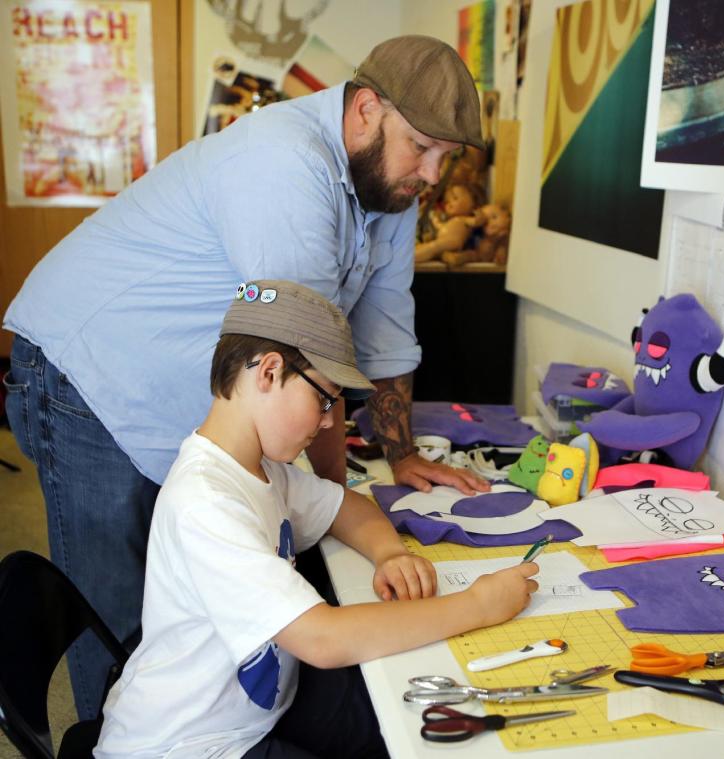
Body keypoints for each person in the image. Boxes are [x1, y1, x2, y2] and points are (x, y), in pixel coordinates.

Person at [2, 34, 490, 721]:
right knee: (116, 609)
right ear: (366, 110)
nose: (433, 175)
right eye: (422, 148)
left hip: (170, 373)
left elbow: (383, 327)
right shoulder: (285, 162)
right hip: (89, 368)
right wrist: (328, 497)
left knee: (185, 596)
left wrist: (401, 452)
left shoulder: (392, 189)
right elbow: (306, 357)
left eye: (448, 157)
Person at [93, 280, 539, 758]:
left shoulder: (258, 468)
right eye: (323, 399)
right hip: (192, 744)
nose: (329, 421)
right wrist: (479, 606)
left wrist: (389, 553)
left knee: (395, 719)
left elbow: (347, 507)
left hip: (255, 709)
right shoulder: (207, 501)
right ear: (267, 372)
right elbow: (322, 639)